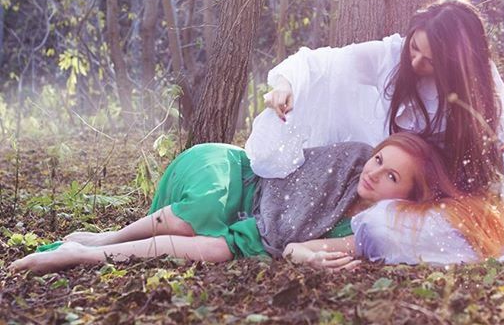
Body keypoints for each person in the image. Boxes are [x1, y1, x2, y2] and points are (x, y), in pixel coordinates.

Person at [246, 0, 504, 263]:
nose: (416, 61)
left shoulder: (479, 82)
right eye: (414, 49)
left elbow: (498, 138)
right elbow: (321, 64)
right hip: (397, 188)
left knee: (446, 231)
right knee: (381, 219)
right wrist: (286, 85)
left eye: (429, 59)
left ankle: (321, 249)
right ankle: (303, 249)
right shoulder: (389, 58)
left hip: (448, 195)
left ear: (456, 62)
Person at [11, 134, 471, 274]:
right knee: (203, 215)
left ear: (407, 198)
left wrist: (303, 252)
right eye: (378, 159)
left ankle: (83, 254)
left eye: (391, 176)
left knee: (217, 246)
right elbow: (292, 173)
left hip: (251, 224)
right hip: (232, 173)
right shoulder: (349, 160)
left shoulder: (363, 231)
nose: (372, 172)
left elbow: (293, 249)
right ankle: (107, 237)